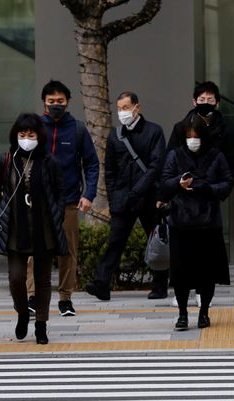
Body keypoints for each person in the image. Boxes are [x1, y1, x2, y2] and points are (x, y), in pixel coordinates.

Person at [0, 113, 69, 345]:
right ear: (15, 135)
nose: (26, 138)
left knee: (43, 280)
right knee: (16, 277)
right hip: (15, 228)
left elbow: (61, 191)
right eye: (22, 134)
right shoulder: (6, 159)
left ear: (39, 136)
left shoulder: (49, 161)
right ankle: (23, 312)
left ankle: (41, 324)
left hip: (44, 227)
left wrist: (58, 213)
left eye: (31, 134)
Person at [85, 91, 168, 301]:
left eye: (126, 108)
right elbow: (110, 170)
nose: (122, 112)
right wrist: (113, 198)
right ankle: (101, 283)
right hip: (123, 199)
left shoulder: (154, 131)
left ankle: (159, 285)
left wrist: (138, 189)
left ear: (136, 108)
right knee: (115, 241)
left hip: (148, 197)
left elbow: (155, 166)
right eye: (119, 108)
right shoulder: (115, 135)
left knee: (156, 240)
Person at [26, 80, 99, 317]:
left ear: (67, 102)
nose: (56, 105)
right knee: (35, 251)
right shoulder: (34, 129)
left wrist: (88, 195)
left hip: (68, 201)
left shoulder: (77, 129)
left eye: (60, 101)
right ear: (44, 103)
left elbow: (91, 164)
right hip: (38, 201)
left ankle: (65, 298)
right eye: (51, 101)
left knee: (67, 252)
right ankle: (33, 296)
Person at [166, 81, 234, 308]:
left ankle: (202, 292)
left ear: (217, 102)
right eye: (201, 100)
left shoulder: (225, 131)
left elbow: (232, 167)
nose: (205, 104)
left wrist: (215, 190)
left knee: (205, 254)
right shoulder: (181, 128)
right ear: (194, 102)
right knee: (182, 255)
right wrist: (174, 187)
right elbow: (169, 161)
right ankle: (182, 296)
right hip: (182, 203)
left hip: (208, 203)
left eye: (210, 100)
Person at [160, 116, 234, 331]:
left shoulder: (215, 155)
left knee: (206, 272)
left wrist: (208, 188)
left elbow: (227, 182)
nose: (193, 140)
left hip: (208, 222)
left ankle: (204, 313)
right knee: (181, 273)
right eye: (189, 136)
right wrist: (178, 183)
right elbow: (165, 182)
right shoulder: (175, 155)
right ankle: (182, 314)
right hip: (181, 222)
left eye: (197, 136)